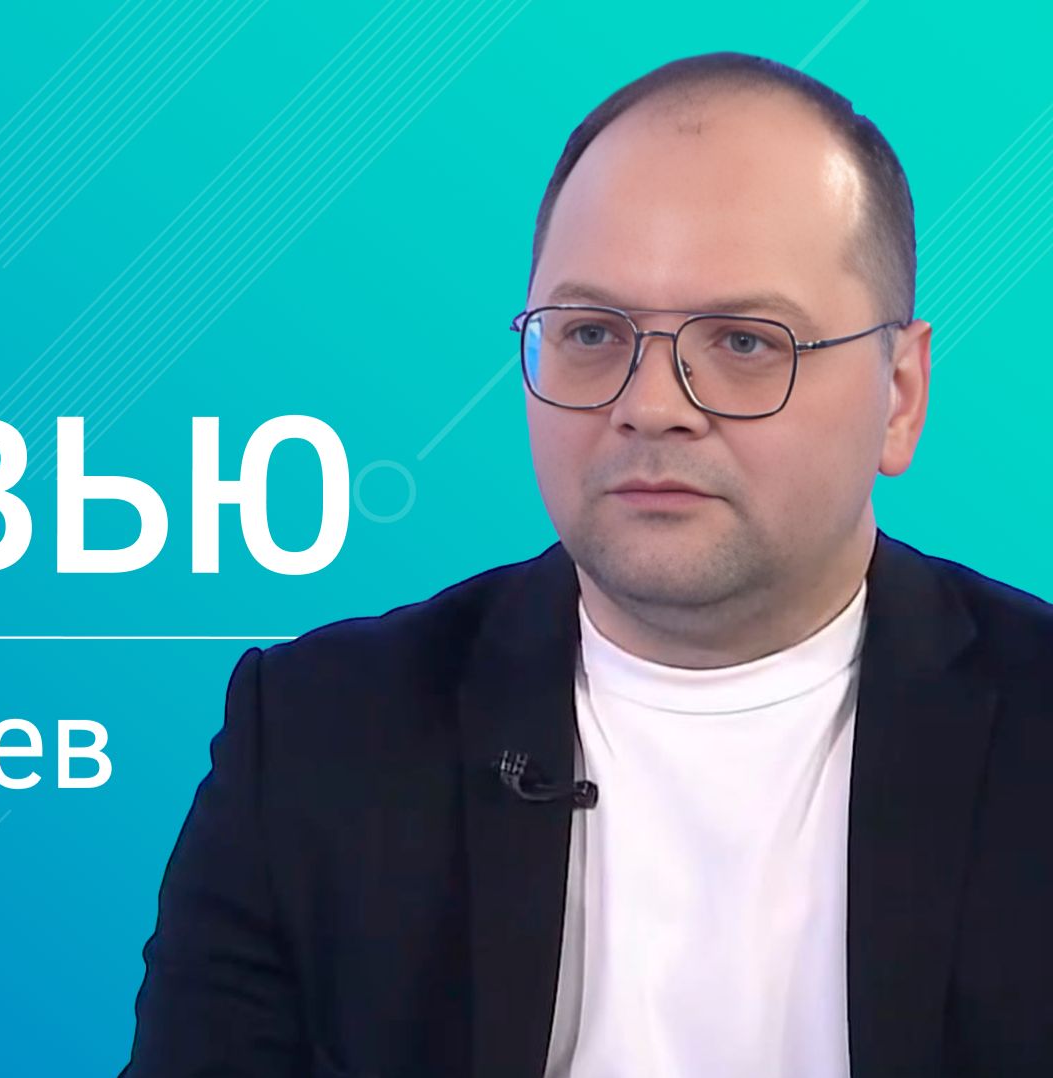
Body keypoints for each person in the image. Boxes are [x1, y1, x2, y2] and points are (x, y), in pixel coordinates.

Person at [122, 51, 1053, 1078]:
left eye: (745, 342)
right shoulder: (315, 737)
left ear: (901, 394)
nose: (651, 405)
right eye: (594, 333)